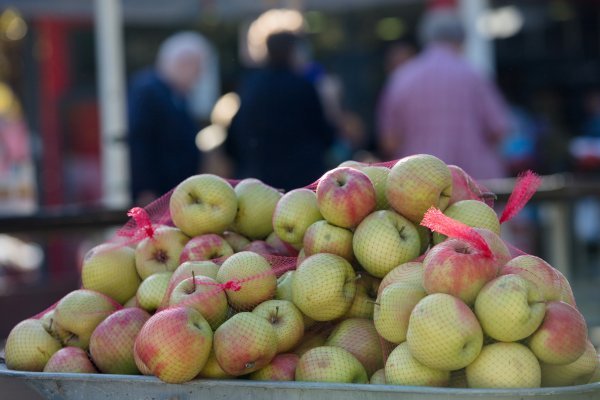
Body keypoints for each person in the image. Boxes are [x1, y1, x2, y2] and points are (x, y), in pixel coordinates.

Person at [376, 9, 509, 179]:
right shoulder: (474, 76)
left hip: (420, 187)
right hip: (474, 184)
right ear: (461, 40)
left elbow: (390, 141)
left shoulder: (401, 79)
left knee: (430, 207)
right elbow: (498, 130)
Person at [225, 31, 334, 191]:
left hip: (259, 185)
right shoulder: (303, 86)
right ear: (292, 52)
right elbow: (325, 135)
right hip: (302, 183)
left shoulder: (252, 85)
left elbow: (234, 136)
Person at [127, 32, 208, 205]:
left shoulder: (176, 93)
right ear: (183, 63)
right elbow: (140, 140)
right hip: (157, 192)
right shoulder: (149, 91)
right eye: (198, 67)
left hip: (173, 191)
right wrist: (145, 188)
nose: (199, 75)